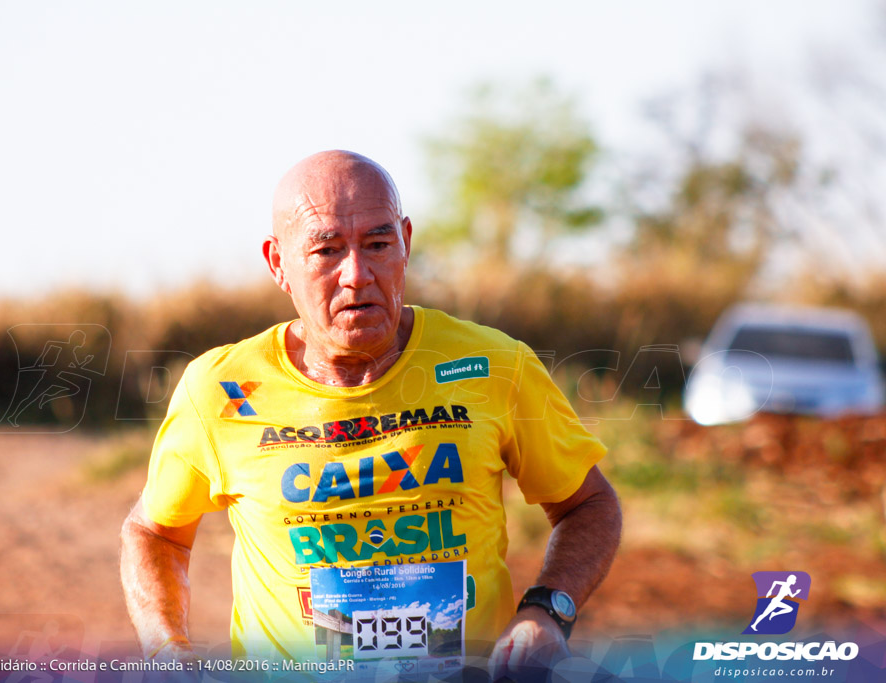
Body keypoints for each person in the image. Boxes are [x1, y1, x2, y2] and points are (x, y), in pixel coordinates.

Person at [120, 150, 621, 680]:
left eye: (378, 244)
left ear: (405, 242)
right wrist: (165, 650)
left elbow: (587, 504)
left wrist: (547, 611)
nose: (357, 274)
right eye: (327, 250)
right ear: (277, 263)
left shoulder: (495, 366)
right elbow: (155, 533)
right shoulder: (218, 389)